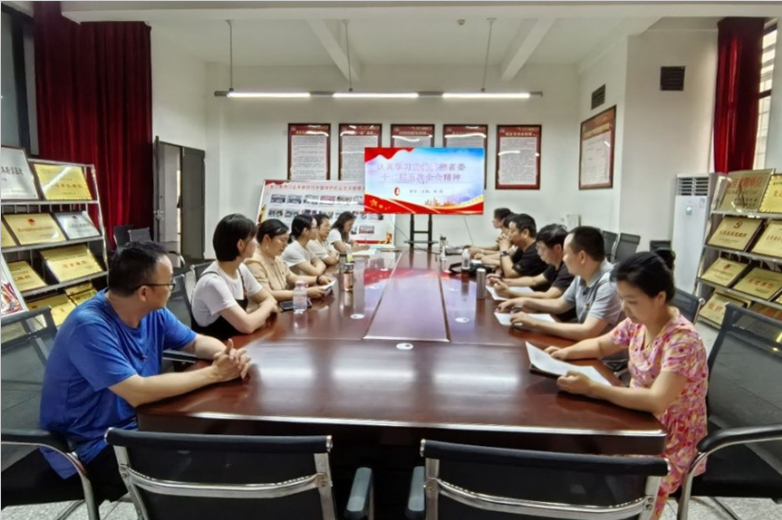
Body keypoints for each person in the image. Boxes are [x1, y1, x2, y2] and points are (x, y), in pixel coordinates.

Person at [39, 242, 251, 501]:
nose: (172, 288)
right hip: (93, 446)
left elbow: (195, 342)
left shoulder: (151, 312)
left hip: (141, 422)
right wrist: (215, 373)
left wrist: (226, 355)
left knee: (224, 440)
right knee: (203, 469)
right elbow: (137, 392)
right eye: (169, 283)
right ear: (143, 292)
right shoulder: (89, 327)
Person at [545, 252, 708, 520]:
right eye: (621, 298)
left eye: (631, 301)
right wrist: (565, 353)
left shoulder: (683, 340)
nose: (624, 308)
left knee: (631, 481)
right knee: (579, 440)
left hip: (669, 437)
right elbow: (602, 344)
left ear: (659, 297)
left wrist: (593, 388)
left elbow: (657, 400)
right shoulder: (639, 323)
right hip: (636, 416)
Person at [499, 226, 622, 340]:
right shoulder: (582, 274)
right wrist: (524, 301)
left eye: (566, 253)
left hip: (603, 354)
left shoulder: (609, 284)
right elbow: (560, 304)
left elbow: (588, 331)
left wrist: (535, 323)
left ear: (582, 257)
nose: (563, 258)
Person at [190, 213, 279, 340]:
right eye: (253, 238)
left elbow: (268, 297)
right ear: (240, 245)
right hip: (218, 347)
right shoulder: (212, 283)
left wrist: (267, 304)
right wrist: (268, 306)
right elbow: (247, 326)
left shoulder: (241, 269)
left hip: (237, 340)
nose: (256, 242)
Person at [489, 224, 576, 322]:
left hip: (562, 319)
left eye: (541, 249)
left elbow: (549, 296)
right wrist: (503, 281)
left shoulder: (568, 268)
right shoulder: (555, 263)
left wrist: (510, 294)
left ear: (557, 248)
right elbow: (534, 280)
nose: (538, 253)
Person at [246, 219, 333, 302]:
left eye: (286, 241)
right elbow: (267, 294)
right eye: (282, 240)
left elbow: (293, 278)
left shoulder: (277, 257)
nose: (285, 245)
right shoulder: (254, 261)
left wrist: (318, 279)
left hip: (282, 305)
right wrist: (304, 293)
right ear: (267, 239)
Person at [495, 213, 547, 279]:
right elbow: (505, 270)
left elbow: (510, 275)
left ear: (525, 233)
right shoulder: (521, 248)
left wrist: (504, 249)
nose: (508, 235)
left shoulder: (535, 251)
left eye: (512, 231)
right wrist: (503, 249)